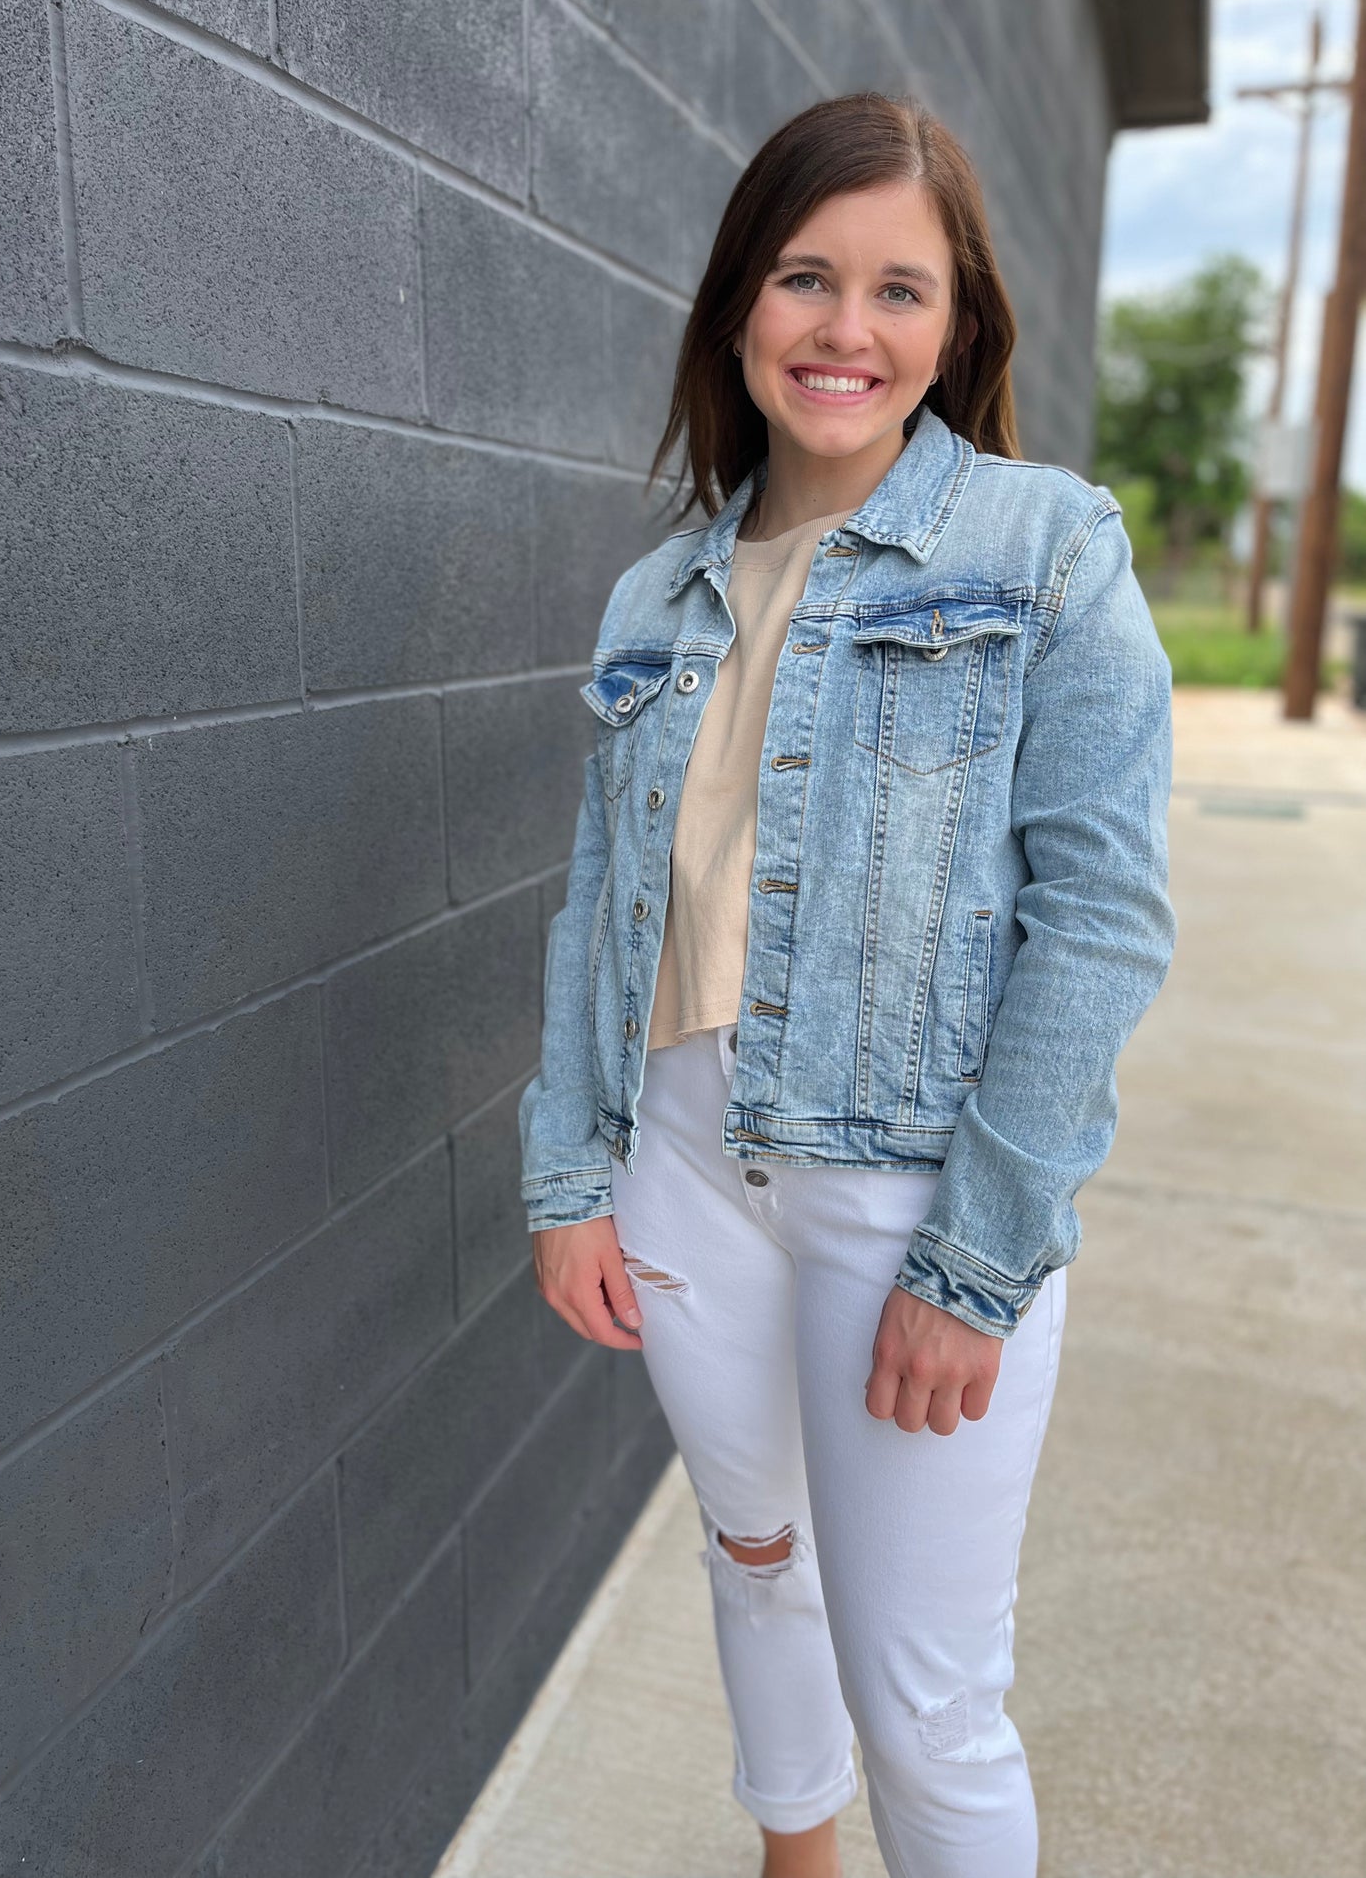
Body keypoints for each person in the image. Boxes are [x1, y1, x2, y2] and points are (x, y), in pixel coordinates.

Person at [517, 91, 1175, 1878]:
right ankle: (792, 1861)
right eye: (806, 278)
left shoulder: (1040, 552)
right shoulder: (657, 595)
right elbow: (602, 906)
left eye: (900, 290)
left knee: (929, 1702)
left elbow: (1100, 923)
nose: (846, 330)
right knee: (756, 1562)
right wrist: (572, 1175)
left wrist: (975, 1262)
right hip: (678, 1171)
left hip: (906, 1200)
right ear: (741, 306)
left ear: (955, 328)